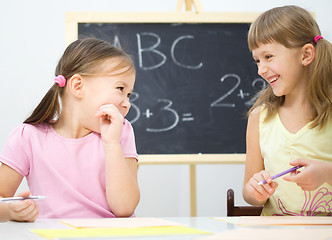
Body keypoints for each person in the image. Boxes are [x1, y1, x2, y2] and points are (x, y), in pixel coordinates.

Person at [0, 38, 140, 222]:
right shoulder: (28, 137)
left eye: (128, 94)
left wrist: (112, 143)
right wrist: (11, 211)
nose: (127, 103)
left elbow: (125, 208)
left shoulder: (121, 132)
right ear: (77, 86)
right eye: (120, 89)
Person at [243, 5, 332, 216]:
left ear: (306, 55)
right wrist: (255, 190)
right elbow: (248, 192)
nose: (260, 69)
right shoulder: (259, 118)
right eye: (257, 60)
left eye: (268, 56)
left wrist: (328, 173)